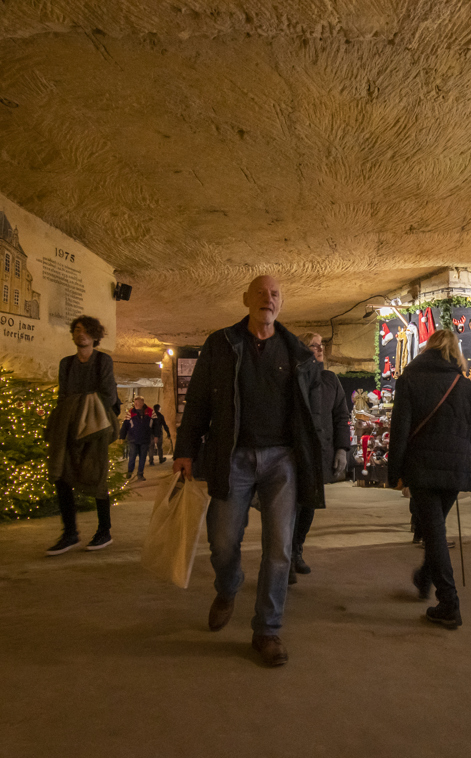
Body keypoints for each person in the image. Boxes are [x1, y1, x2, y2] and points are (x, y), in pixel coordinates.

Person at [173, 275, 323, 668]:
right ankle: (228, 586)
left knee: (280, 549)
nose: (267, 299)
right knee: (222, 542)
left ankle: (267, 629)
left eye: (274, 294)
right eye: (259, 293)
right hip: (233, 456)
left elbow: (313, 413)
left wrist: (322, 454)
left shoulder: (296, 352)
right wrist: (185, 449)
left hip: (282, 460)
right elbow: (200, 400)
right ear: (245, 299)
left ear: (281, 304)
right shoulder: (221, 344)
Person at [389, 329, 471, 629]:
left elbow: (400, 431)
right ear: (456, 351)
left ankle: (449, 602)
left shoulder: (409, 380)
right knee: (435, 529)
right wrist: (465, 462)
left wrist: (395, 473)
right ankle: (425, 577)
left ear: (427, 348)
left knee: (434, 532)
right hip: (456, 470)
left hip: (422, 467)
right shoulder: (467, 387)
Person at [45, 316, 119, 555]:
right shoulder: (66, 363)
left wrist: (82, 408)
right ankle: (70, 533)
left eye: (86, 331)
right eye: (77, 330)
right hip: (68, 426)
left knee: (97, 476)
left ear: (95, 336)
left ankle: (104, 531)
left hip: (94, 427)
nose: (81, 334)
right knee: (62, 476)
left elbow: (108, 394)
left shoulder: (102, 361)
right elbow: (62, 396)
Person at [289, 332, 349, 582]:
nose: (320, 349)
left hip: (319, 455)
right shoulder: (290, 379)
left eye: (321, 345)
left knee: (309, 505)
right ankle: (284, 556)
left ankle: (296, 550)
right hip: (292, 455)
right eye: (313, 345)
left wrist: (342, 449)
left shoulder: (330, 380)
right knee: (290, 507)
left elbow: (341, 416)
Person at [120, 397, 152, 480]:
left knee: (143, 457)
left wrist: (156, 435)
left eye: (137, 403)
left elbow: (155, 425)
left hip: (145, 439)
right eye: (135, 403)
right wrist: (122, 437)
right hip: (133, 439)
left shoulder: (150, 412)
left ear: (142, 403)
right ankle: (130, 472)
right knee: (132, 456)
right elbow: (125, 425)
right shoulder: (130, 412)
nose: (136, 404)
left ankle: (140, 474)